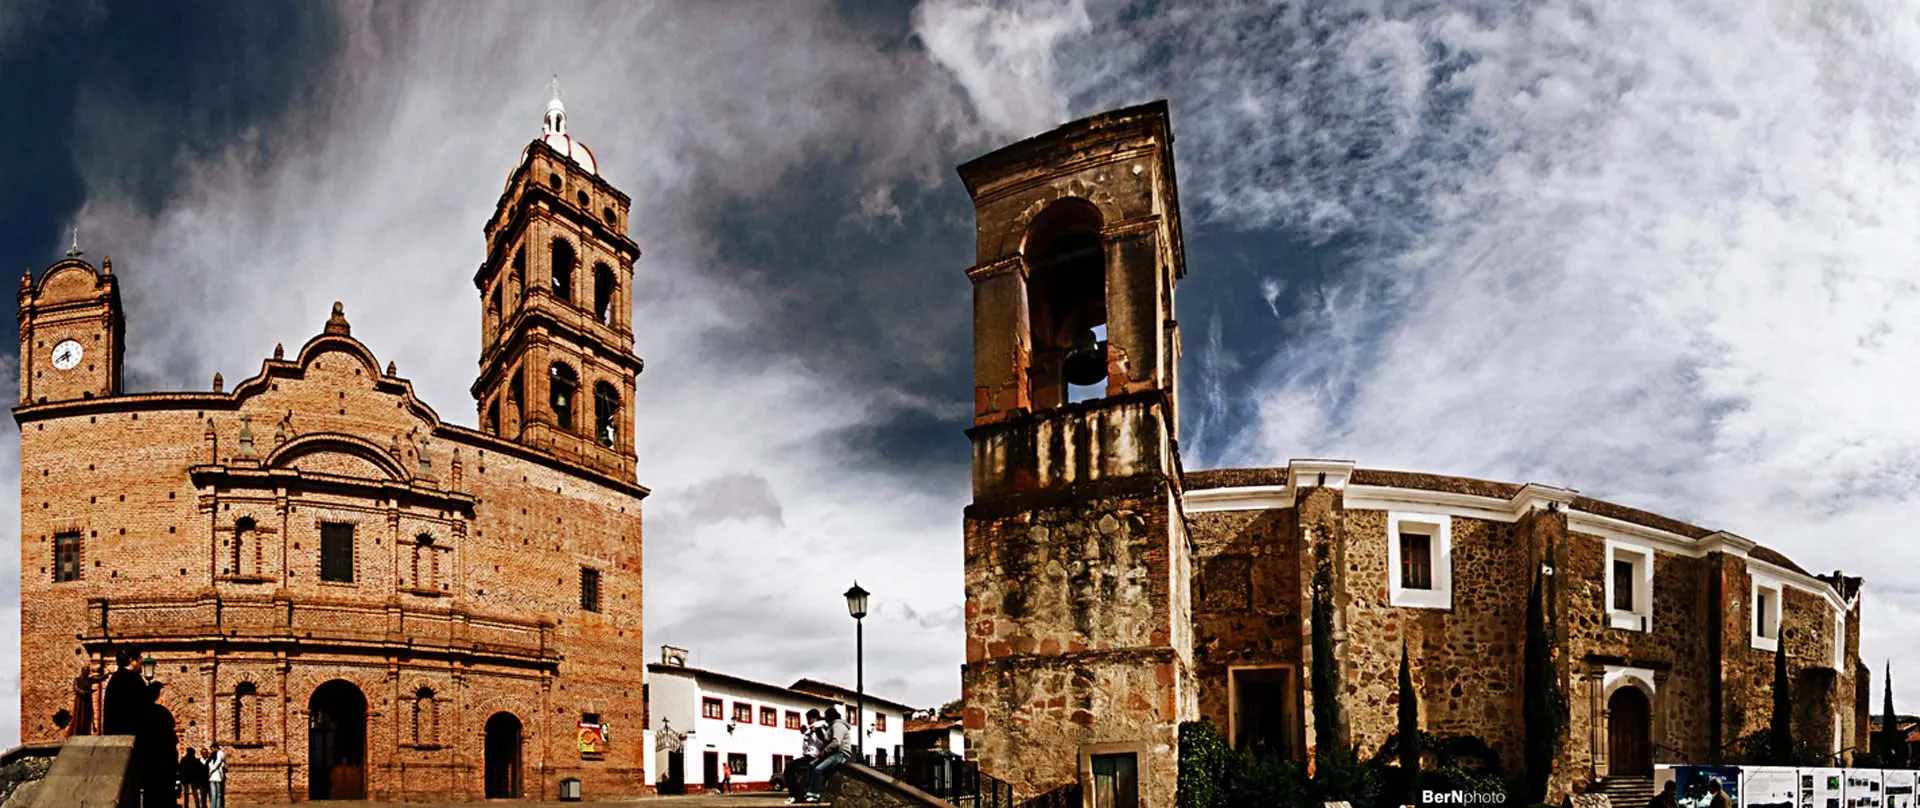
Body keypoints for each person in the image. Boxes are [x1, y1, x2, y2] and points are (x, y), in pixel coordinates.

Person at [801, 708, 853, 804]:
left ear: (831, 716)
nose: (825, 719)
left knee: (819, 769)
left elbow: (836, 742)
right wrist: (817, 731)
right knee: (812, 765)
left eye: (826, 717)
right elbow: (826, 739)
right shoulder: (831, 726)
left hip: (840, 754)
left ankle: (815, 794)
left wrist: (824, 751)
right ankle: (808, 792)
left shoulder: (838, 725)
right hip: (832, 753)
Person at [786, 709, 825, 803]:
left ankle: (796, 794)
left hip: (816, 756)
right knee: (789, 766)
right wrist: (807, 734)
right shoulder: (809, 730)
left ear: (815, 718)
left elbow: (823, 743)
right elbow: (805, 745)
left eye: (809, 718)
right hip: (807, 755)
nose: (808, 721)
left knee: (793, 767)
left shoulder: (821, 728)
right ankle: (794, 793)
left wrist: (816, 732)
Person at [207, 743, 227, 808]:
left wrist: (211, 771)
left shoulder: (220, 753)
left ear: (216, 747)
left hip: (215, 777)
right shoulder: (214, 756)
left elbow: (218, 762)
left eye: (212, 749)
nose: (212, 750)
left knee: (216, 794)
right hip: (215, 777)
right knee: (216, 794)